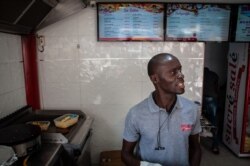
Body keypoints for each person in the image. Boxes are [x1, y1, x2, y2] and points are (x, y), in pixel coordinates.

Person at [121, 53, 202, 166]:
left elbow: (196, 148)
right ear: (155, 79)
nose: (181, 75)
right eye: (173, 72)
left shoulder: (192, 109)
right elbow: (125, 154)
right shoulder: (136, 114)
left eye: (180, 70)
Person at [202, 67, 220, 154]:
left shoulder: (200, 74)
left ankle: (202, 133)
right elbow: (217, 88)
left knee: (199, 118)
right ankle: (215, 146)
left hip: (202, 98)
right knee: (214, 122)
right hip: (212, 98)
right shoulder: (214, 75)